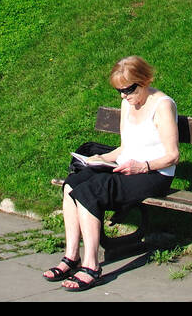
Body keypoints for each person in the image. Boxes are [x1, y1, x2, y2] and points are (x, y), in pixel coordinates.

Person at [46, 56, 179, 291]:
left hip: (154, 174)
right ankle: (71, 256)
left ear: (144, 81)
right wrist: (99, 159)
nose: (123, 96)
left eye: (127, 89)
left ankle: (91, 266)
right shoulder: (127, 103)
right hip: (127, 167)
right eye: (119, 90)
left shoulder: (163, 105)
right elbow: (125, 147)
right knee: (72, 183)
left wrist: (143, 166)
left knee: (91, 192)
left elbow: (172, 156)